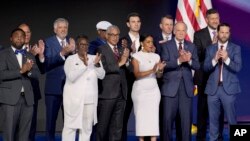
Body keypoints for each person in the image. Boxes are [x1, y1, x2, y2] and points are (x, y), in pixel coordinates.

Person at [161, 22, 200, 141]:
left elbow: (197, 65)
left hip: (186, 89)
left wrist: (188, 61)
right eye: (178, 30)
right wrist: (179, 60)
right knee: (167, 121)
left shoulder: (191, 46)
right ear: (174, 31)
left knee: (185, 122)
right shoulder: (165, 46)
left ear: (186, 31)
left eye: (183, 30)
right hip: (170, 88)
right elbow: (164, 64)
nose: (181, 32)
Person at [62, 35, 105, 141]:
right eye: (82, 44)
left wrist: (96, 65)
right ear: (77, 46)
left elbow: (102, 75)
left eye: (86, 44)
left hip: (89, 100)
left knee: (87, 129)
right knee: (70, 128)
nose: (85, 47)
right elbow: (71, 77)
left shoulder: (94, 58)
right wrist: (84, 65)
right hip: (73, 100)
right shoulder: (70, 59)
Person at [0, 28, 40, 141]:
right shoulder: (3, 54)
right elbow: (1, 74)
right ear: (11, 38)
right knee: (9, 132)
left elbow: (36, 74)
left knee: (24, 133)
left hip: (27, 99)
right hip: (10, 99)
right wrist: (20, 71)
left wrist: (29, 71)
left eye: (22, 36)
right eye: (16, 36)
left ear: (25, 39)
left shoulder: (29, 55)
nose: (19, 38)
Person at [204, 23, 242, 141]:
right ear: (218, 33)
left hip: (229, 89)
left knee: (232, 120)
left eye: (227, 32)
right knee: (213, 120)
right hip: (213, 90)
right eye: (222, 32)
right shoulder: (210, 49)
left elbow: (238, 67)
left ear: (229, 34)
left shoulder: (236, 48)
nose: (224, 35)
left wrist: (227, 59)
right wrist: (214, 59)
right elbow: (205, 68)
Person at [193, 8, 224, 141]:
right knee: (203, 111)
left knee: (220, 111)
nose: (215, 21)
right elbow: (197, 56)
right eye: (212, 19)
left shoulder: (224, 32)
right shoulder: (199, 34)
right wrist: (211, 47)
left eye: (217, 18)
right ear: (207, 20)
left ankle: (219, 137)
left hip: (220, 79)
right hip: (204, 79)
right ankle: (201, 138)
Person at [44, 18, 75, 141]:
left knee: (69, 122)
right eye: (60, 27)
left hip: (70, 88)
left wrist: (75, 51)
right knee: (51, 122)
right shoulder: (48, 42)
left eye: (65, 27)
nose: (63, 29)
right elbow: (47, 63)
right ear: (55, 29)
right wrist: (62, 53)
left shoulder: (72, 42)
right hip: (53, 88)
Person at [96, 25, 129, 141]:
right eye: (112, 35)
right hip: (107, 94)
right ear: (106, 35)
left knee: (117, 127)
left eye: (117, 35)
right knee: (102, 126)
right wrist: (121, 63)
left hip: (121, 93)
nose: (115, 37)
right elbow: (104, 68)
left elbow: (127, 69)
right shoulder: (101, 49)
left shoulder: (122, 49)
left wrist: (128, 61)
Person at [131, 34, 166, 141]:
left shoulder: (156, 56)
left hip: (154, 91)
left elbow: (159, 75)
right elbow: (136, 74)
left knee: (153, 118)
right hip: (140, 91)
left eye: (152, 42)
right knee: (141, 118)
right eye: (148, 42)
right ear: (142, 43)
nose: (151, 44)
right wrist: (152, 70)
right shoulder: (136, 56)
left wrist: (160, 70)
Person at [18, 23, 45, 141]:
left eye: (28, 32)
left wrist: (40, 56)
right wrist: (29, 56)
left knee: (31, 124)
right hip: (17, 92)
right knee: (17, 124)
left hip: (32, 92)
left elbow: (42, 70)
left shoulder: (36, 49)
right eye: (23, 32)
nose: (26, 34)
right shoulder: (14, 51)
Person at [119, 12, 142, 140]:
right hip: (127, 83)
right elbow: (119, 63)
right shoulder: (122, 41)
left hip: (143, 82)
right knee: (124, 115)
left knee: (144, 116)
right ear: (128, 24)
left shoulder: (146, 39)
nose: (136, 24)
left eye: (138, 21)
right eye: (133, 21)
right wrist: (130, 55)